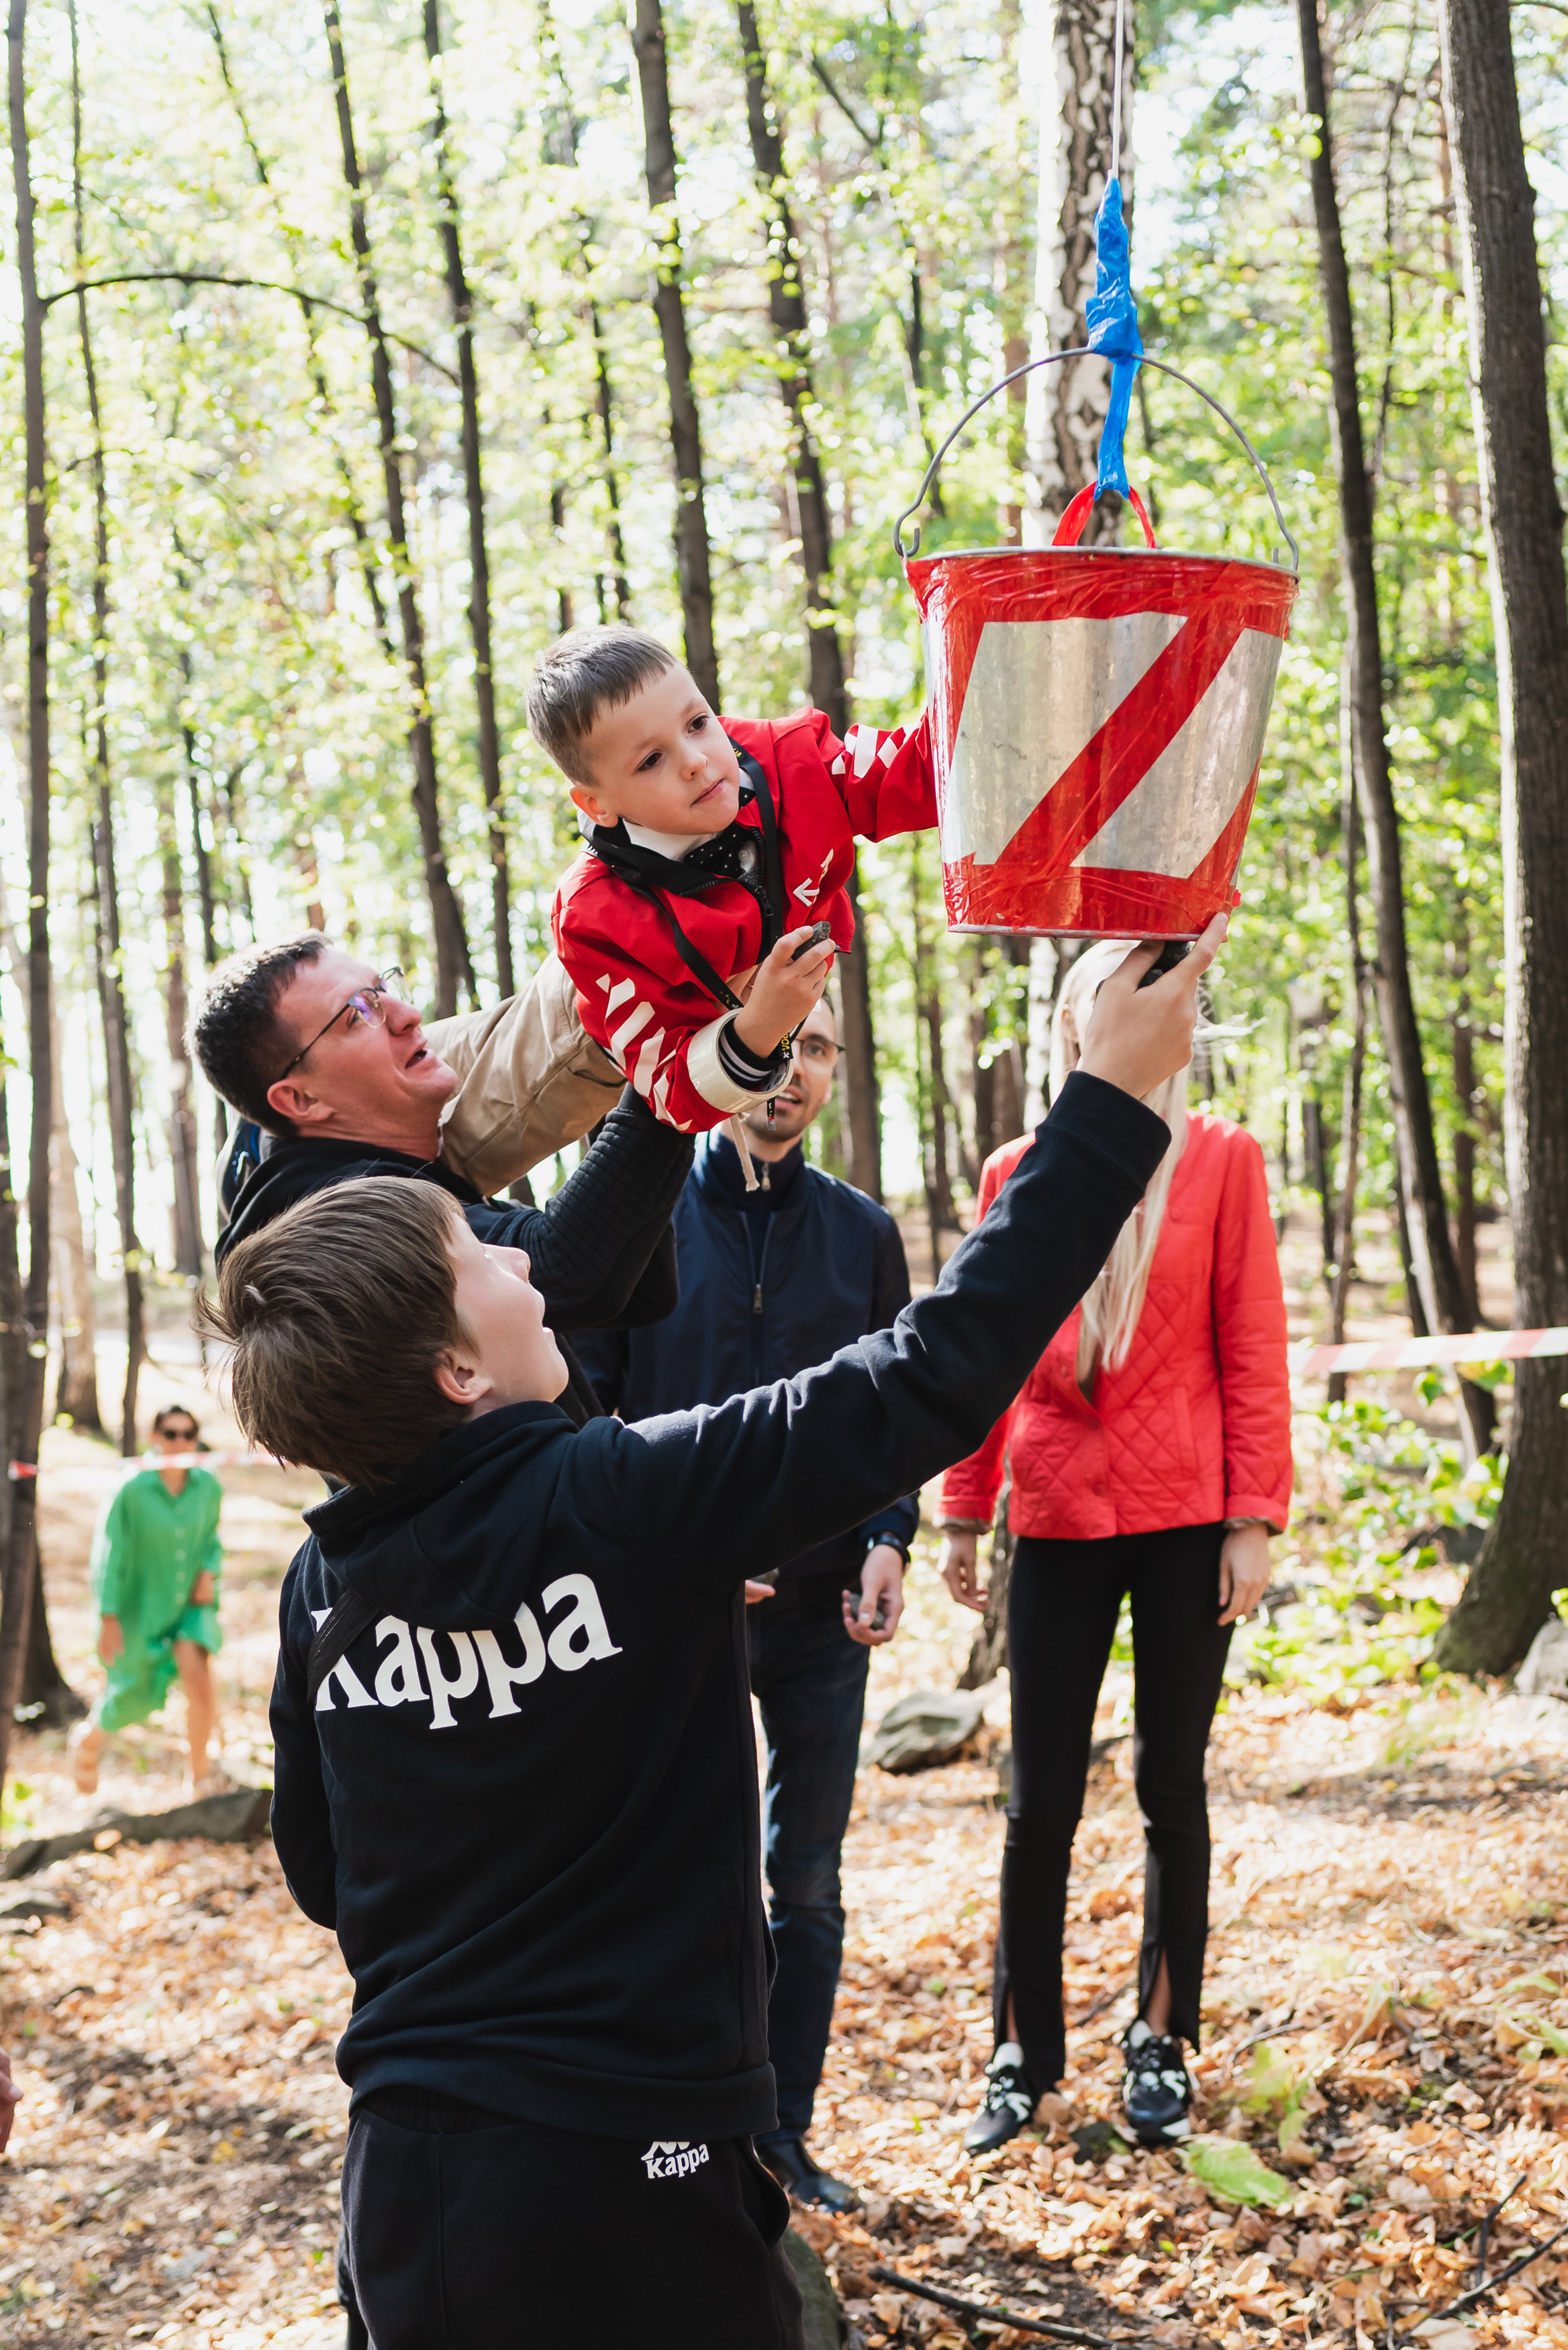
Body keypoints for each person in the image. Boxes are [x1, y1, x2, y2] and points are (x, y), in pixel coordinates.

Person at [207, 926, 1220, 2350]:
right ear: (454, 1365)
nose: (523, 1267)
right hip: (624, 2188)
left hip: (405, 2193)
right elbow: (928, 1372)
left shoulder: (323, 1591)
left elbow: (327, 1874)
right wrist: (1107, 1099)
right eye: (480, 1254)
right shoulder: (619, 1498)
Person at [938, 938, 1292, 2155]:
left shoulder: (1224, 1160)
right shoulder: (1018, 1174)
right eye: (1102, 1008)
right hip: (1053, 1517)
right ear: (1070, 1032)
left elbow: (1252, 1348)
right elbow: (976, 1351)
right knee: (1038, 1801)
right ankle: (1021, 2053)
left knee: (1167, 1787)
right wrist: (960, 1510)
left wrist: (1252, 1517)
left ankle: (1161, 2040)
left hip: (1190, 1518)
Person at [576, 994, 916, 2213]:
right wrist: (670, 1556)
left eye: (820, 1048)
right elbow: (592, 1411)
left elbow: (895, 1409)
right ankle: (681, 2140)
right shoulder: (643, 1215)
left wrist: (889, 1537)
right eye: (779, 1045)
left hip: (825, 1611)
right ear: (737, 1056)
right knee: (677, 1874)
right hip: (677, 1606)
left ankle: (783, 2132)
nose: (794, 1071)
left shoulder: (863, 1233)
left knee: (805, 1884)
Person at [191, 934, 694, 1423]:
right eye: (358, 1015)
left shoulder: (401, 1178)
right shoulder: (332, 1225)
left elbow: (641, 1293)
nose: (408, 1015)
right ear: (300, 1101)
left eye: (385, 987)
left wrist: (619, 1076)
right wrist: (675, 1069)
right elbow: (568, 1274)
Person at [534, 624, 935, 1142]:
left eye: (698, 723)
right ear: (597, 803)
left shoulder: (790, 756)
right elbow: (669, 1091)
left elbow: (920, 769)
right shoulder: (590, 918)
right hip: (585, 1032)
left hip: (726, 1021)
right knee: (481, 1126)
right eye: (652, 760)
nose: (696, 761)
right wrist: (763, 1024)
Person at [72, 1407, 225, 1797]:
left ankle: (199, 1778)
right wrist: (108, 1615)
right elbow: (110, 1553)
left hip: (191, 1607)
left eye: (188, 1435)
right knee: (133, 1698)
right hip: (140, 1610)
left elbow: (211, 1539)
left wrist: (209, 1571)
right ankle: (88, 1740)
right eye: (170, 1434)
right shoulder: (132, 1488)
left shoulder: (208, 1486)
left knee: (200, 1682)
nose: (180, 1442)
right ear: (154, 1437)